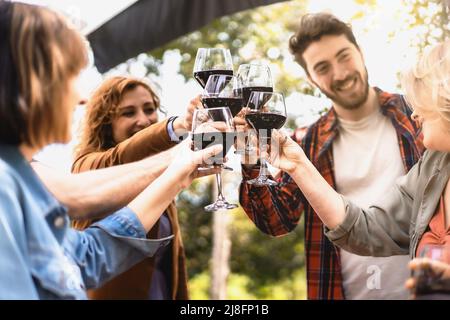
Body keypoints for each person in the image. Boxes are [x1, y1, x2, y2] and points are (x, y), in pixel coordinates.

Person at [0, 0, 221, 299]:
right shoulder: (30, 177)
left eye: (149, 109)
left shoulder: (18, 175)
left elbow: (82, 258)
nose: (81, 98)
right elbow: (87, 187)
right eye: (69, 77)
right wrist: (178, 145)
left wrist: (179, 171)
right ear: (28, 84)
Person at [238, 13, 424, 299]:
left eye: (344, 56)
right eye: (323, 67)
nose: (339, 74)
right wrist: (251, 158)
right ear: (311, 79)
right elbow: (276, 221)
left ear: (360, 53)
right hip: (340, 292)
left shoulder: (417, 114)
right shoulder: (308, 141)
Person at [266, 39, 450, 298]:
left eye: (421, 101)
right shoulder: (433, 165)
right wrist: (299, 166)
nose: (415, 114)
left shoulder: (399, 116)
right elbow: (369, 228)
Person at [71, 76, 196, 299]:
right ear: (105, 123)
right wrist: (177, 126)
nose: (144, 120)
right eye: (128, 113)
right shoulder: (88, 166)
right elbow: (121, 156)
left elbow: (174, 261)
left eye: (149, 109)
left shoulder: (161, 176)